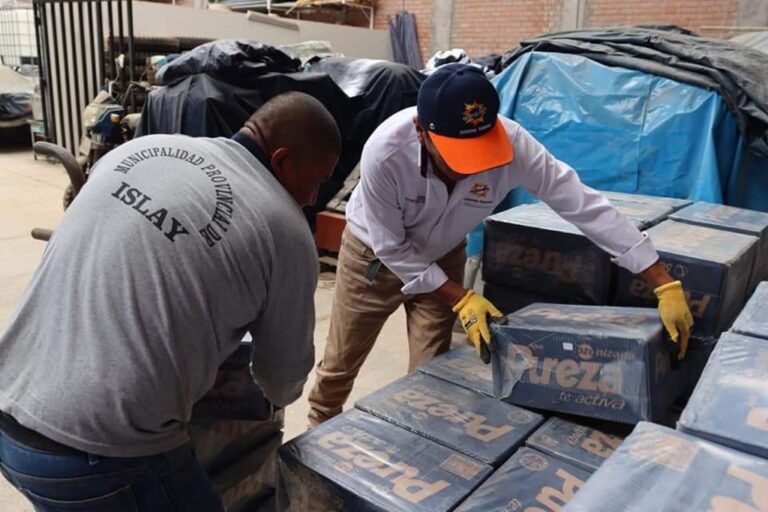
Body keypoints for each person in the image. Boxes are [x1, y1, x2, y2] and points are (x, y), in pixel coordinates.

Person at [0, 91, 340, 511]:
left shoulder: (144, 149)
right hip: (99, 455)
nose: (313, 197)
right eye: (316, 181)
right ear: (283, 160)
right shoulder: (286, 229)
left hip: (9, 417)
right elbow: (282, 379)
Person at [307, 63, 694, 426]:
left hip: (444, 254)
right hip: (373, 259)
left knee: (431, 369)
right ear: (421, 130)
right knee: (342, 362)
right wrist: (461, 297)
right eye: (457, 155)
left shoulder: (512, 145)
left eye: (479, 152)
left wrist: (662, 280)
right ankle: (316, 435)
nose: (471, 167)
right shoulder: (386, 153)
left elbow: (579, 202)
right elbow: (391, 247)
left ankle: (419, 441)